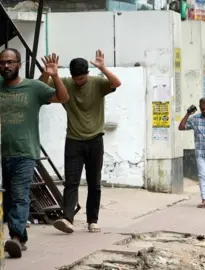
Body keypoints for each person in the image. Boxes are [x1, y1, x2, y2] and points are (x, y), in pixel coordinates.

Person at [40, 50, 122, 234]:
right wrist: (48, 72)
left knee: (94, 183)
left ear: (88, 74)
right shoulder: (66, 83)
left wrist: (103, 67)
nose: (79, 82)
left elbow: (116, 83)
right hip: (73, 140)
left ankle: (92, 220)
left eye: (82, 78)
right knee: (71, 182)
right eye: (76, 78)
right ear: (71, 76)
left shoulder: (97, 83)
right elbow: (40, 87)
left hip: (95, 140)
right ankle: (67, 219)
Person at [0, 49, 69, 258]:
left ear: (19, 64)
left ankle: (16, 238)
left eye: (10, 62)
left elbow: (62, 97)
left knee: (20, 196)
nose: (6, 66)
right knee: (9, 199)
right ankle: (21, 237)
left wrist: (54, 75)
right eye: (2, 63)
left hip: (25, 152)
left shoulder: (33, 87)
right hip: (3, 153)